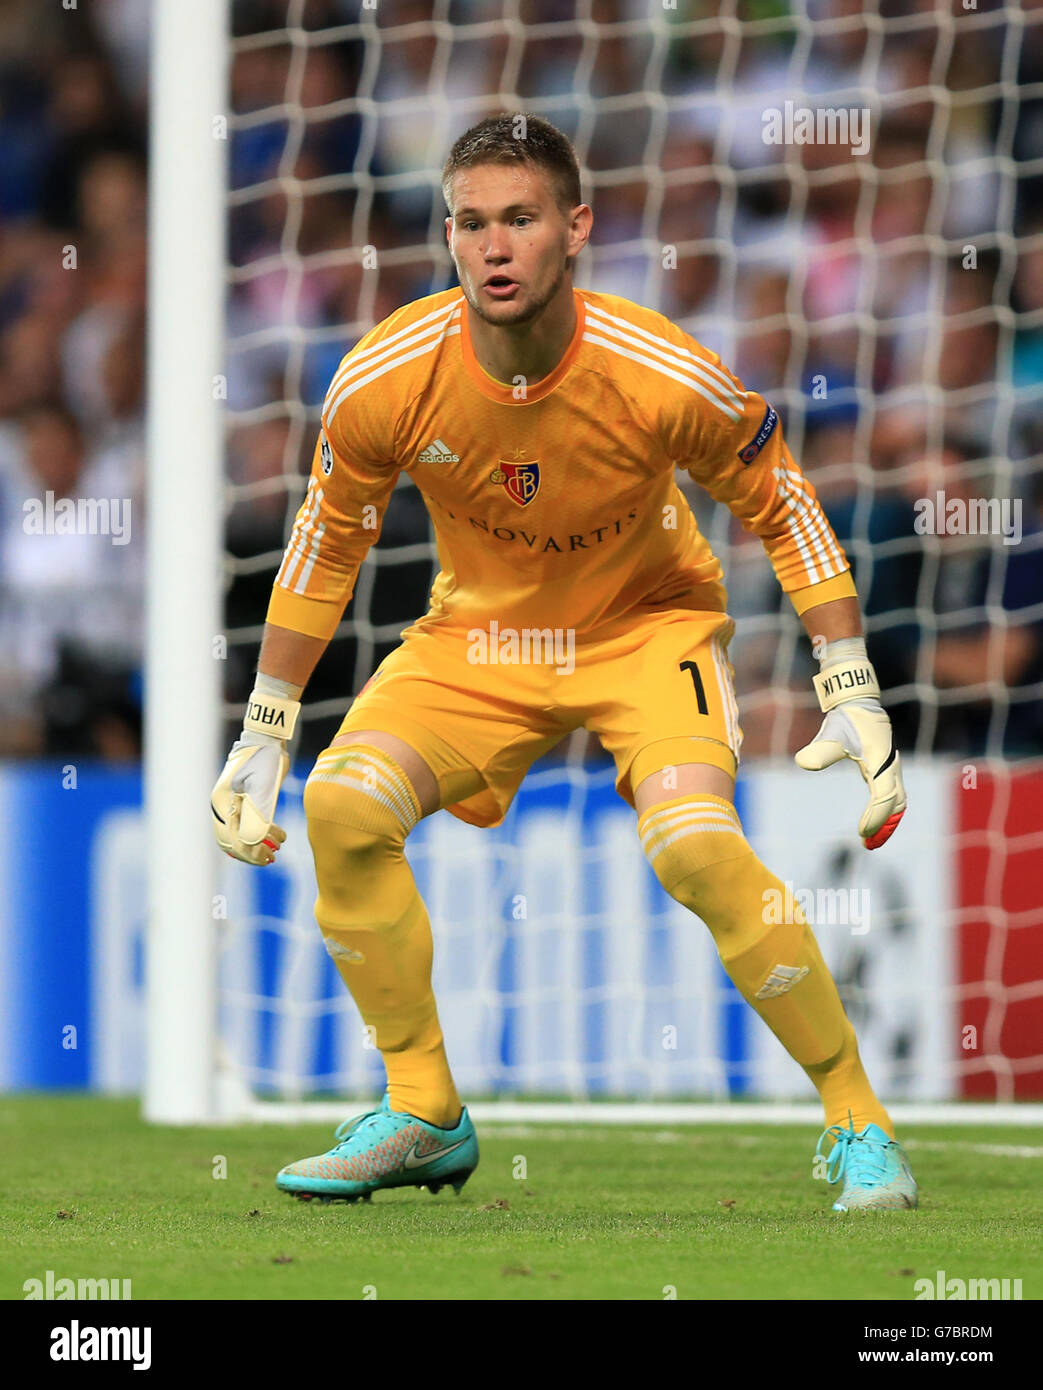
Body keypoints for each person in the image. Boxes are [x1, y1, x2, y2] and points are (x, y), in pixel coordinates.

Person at [211, 114, 915, 1213]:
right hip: (477, 641)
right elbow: (327, 532)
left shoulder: (652, 369)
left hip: (647, 627)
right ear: (447, 235)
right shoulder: (383, 379)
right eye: (472, 223)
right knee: (344, 806)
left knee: (692, 847)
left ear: (574, 227)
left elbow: (778, 498)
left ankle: (857, 1120)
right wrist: (266, 721)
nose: (494, 247)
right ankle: (423, 1110)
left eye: (521, 219)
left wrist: (847, 675)